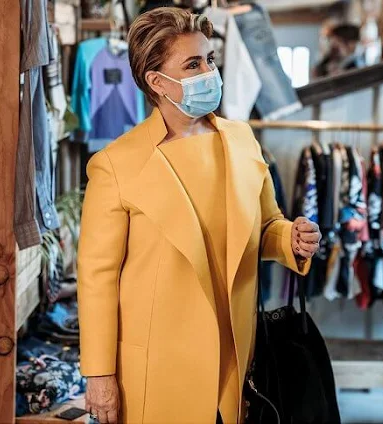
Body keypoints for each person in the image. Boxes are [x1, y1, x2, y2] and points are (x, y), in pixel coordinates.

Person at [77, 7, 321, 424]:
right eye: (193, 63)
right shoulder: (115, 164)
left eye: (209, 59)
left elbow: (266, 226)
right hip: (157, 365)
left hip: (236, 354)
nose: (209, 71)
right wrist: (99, 375)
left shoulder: (241, 139)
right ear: (156, 81)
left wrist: (290, 239)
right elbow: (97, 277)